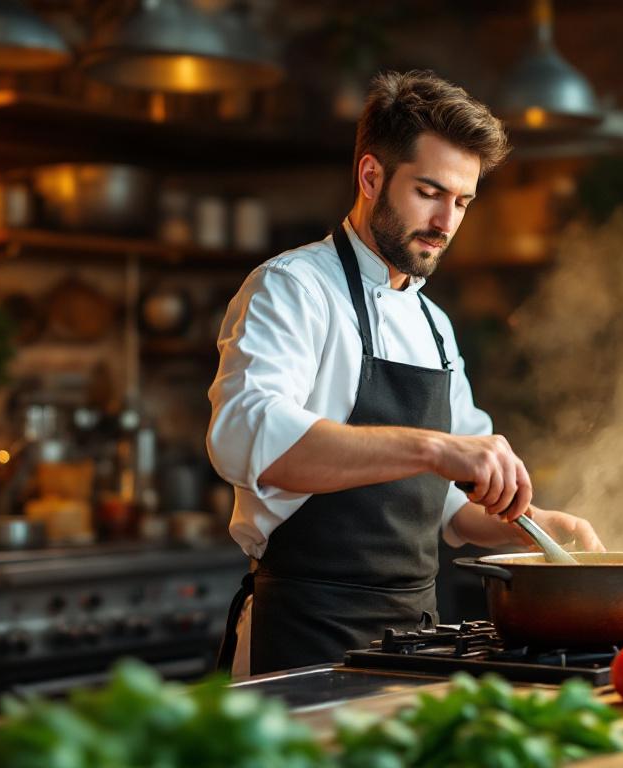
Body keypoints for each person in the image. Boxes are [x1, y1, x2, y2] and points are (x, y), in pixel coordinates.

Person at [207, 70, 603, 677]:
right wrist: (434, 448)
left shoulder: (433, 324)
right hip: (303, 633)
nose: (446, 222)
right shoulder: (292, 288)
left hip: (414, 642)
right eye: (429, 192)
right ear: (371, 177)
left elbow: (452, 506)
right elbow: (245, 435)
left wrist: (530, 529)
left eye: (462, 202)